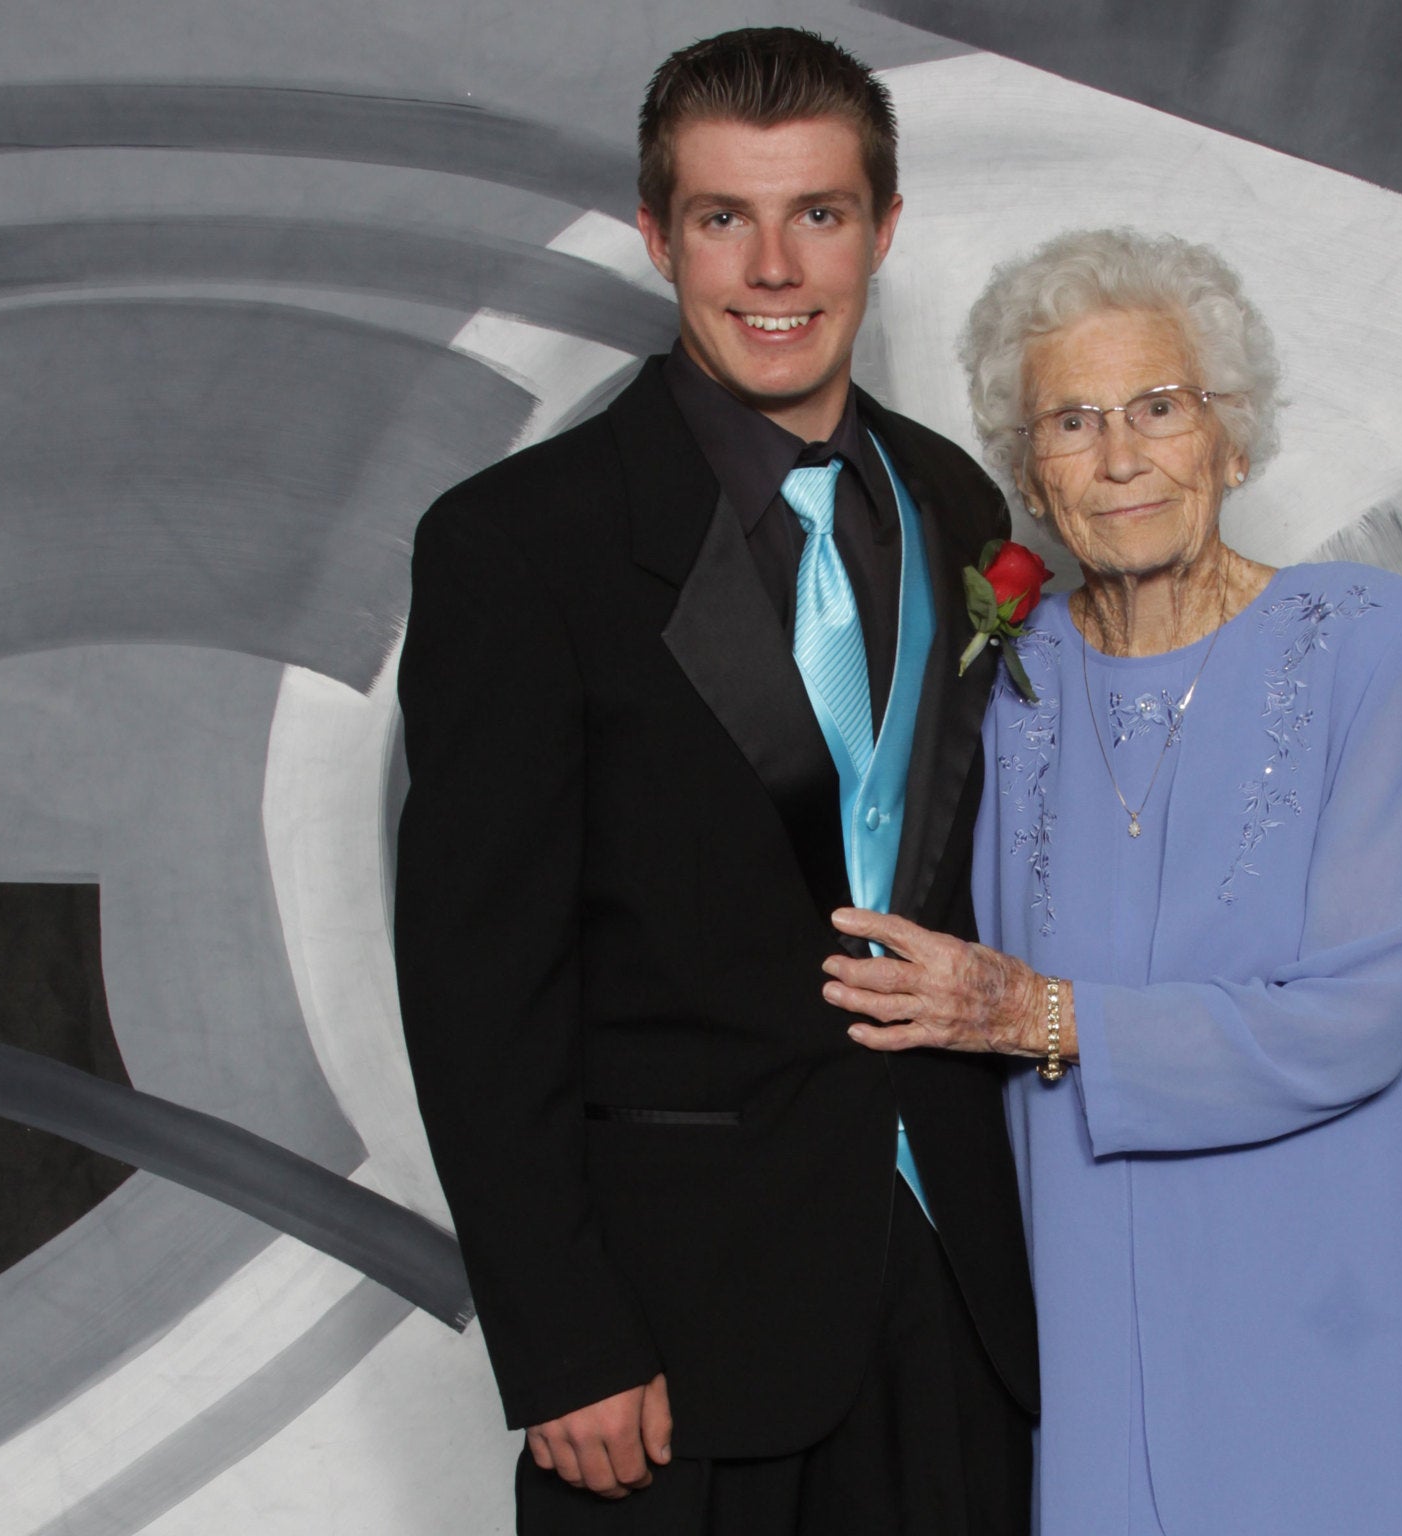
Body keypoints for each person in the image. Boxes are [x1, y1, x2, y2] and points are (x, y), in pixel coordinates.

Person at [394, 29, 1036, 1536]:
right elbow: (477, 983)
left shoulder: (957, 501)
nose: (773, 267)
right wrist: (562, 1339)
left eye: (816, 213)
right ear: (655, 233)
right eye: (721, 218)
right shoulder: (516, 544)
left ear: (882, 230)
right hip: (672, 1339)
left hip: (962, 1300)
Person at [824, 228, 1402, 1535]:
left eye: (1160, 407)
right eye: (1072, 421)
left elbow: (1354, 1012)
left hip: (1341, 1287)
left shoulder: (1382, 647)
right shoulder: (1001, 680)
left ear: (1233, 437)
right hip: (1092, 1297)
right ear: (1029, 474)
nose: (1120, 456)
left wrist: (1047, 1017)